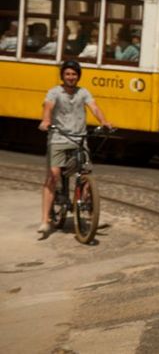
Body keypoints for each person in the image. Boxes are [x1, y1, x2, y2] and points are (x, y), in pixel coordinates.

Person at [37, 60, 113, 235]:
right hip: (58, 138)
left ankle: (91, 217)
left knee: (86, 175)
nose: (71, 77)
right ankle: (44, 220)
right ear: (63, 76)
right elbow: (48, 106)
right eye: (68, 74)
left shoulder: (83, 92)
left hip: (79, 139)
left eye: (74, 74)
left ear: (78, 76)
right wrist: (46, 120)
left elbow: (94, 107)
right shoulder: (54, 92)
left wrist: (104, 122)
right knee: (53, 175)